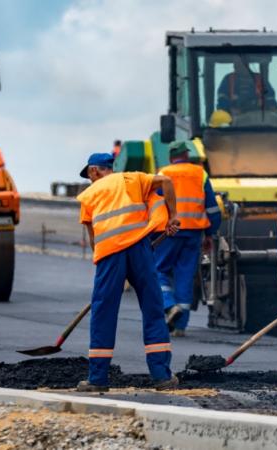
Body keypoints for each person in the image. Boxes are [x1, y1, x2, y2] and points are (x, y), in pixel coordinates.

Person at [75, 153, 181, 392]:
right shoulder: (133, 179)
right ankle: (162, 376)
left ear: (94, 171)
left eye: (90, 175)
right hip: (140, 249)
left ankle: (98, 379)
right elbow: (166, 182)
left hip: (110, 254)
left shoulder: (90, 195)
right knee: (153, 308)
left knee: (103, 312)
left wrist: (106, 272)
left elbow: (93, 239)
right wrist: (173, 215)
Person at [154, 142, 221, 337]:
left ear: (171, 157)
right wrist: (210, 233)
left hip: (168, 231)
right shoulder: (200, 173)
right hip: (193, 232)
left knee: (157, 269)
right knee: (185, 276)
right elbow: (212, 209)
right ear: (186, 154)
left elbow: (154, 204)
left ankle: (168, 305)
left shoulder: (162, 173)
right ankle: (180, 327)